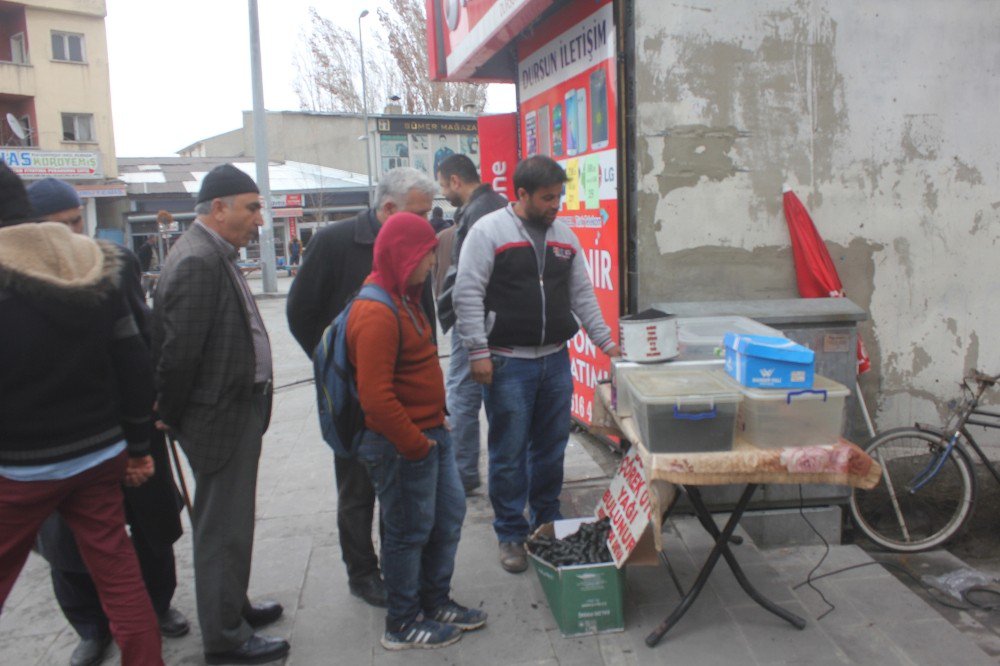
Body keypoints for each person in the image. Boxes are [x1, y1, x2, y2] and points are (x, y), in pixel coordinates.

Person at [0, 163, 164, 664]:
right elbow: (133, 361)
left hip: (19, 464)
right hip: (98, 452)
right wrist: (137, 446)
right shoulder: (95, 261)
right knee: (119, 575)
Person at [453, 156, 620, 573]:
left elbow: (583, 295)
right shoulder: (488, 232)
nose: (555, 205)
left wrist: (608, 345)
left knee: (550, 449)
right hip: (507, 363)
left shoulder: (564, 238)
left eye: (559, 196)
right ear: (521, 194)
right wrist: (477, 353)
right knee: (508, 453)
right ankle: (510, 532)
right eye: (547, 198)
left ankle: (546, 521)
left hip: (554, 362)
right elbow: (467, 294)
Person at [151, 164, 289, 665]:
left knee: (233, 523)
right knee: (221, 528)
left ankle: (233, 606)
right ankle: (225, 638)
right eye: (251, 207)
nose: (259, 218)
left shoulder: (212, 253)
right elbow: (178, 354)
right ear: (219, 208)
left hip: (233, 409)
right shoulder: (197, 261)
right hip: (219, 416)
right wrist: (168, 410)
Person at [285, 167, 437, 609]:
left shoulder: (413, 243)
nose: (426, 222)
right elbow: (300, 311)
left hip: (401, 391)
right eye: (418, 212)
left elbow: (420, 302)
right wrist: (334, 364)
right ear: (388, 209)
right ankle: (362, 572)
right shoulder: (335, 242)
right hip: (354, 398)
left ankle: (398, 564)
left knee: (399, 483)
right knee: (356, 489)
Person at [348, 212, 485, 650]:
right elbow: (375, 398)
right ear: (406, 255)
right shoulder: (375, 311)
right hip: (403, 444)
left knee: (447, 518)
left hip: (430, 433)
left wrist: (438, 415)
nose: (433, 263)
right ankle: (402, 623)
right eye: (428, 255)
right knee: (407, 532)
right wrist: (415, 445)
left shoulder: (405, 297)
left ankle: (435, 600)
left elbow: (417, 369)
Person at [435, 154, 508, 494]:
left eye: (442, 185)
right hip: (495, 318)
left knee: (462, 397)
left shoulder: (477, 212)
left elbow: (467, 278)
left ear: (454, 181)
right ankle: (497, 475)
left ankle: (462, 476)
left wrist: (457, 317)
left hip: (476, 320)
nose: (444, 193)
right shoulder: (498, 204)